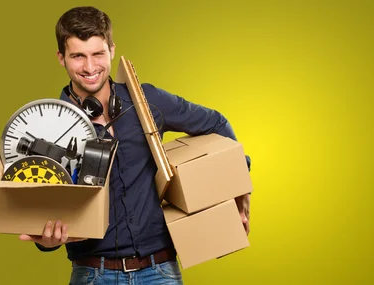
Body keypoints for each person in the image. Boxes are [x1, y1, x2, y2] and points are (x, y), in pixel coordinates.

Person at [17, 6, 251, 285]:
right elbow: (41, 213)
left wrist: (239, 194)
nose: (90, 68)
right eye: (78, 56)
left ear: (112, 50)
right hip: (93, 273)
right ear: (61, 58)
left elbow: (216, 123)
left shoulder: (147, 102)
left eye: (97, 54)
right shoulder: (47, 129)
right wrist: (47, 240)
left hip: (160, 270)